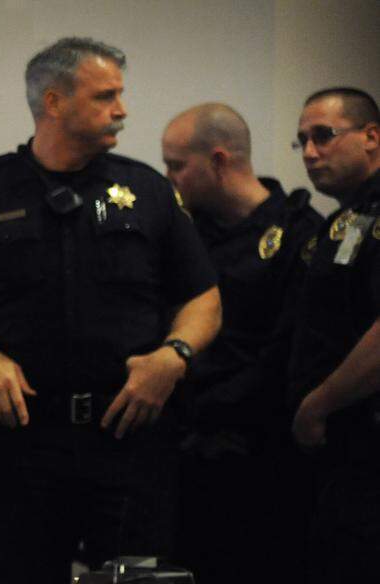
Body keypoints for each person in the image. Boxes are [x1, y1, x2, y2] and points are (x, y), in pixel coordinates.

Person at [0, 37, 221, 584]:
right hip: (23, 447)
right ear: (53, 102)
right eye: (105, 96)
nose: (122, 110)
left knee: (138, 578)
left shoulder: (146, 191)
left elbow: (203, 297)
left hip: (128, 442)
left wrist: (174, 355)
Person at [160, 103, 322, 583]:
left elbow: (286, 351)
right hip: (185, 454)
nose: (168, 179)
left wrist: (209, 405)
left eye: (176, 166)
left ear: (218, 160)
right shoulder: (188, 235)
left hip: (260, 460)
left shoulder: (299, 235)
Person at [286, 87, 380, 583]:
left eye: (324, 136)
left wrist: (319, 402)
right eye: (301, 141)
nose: (309, 153)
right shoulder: (343, 219)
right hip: (343, 455)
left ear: (371, 137)